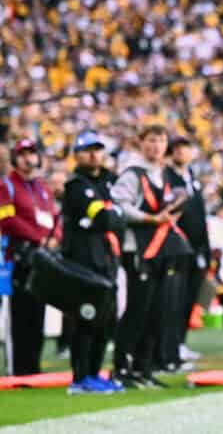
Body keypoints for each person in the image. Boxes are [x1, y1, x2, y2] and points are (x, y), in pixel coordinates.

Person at [112, 125, 192, 388]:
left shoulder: (165, 174)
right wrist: (150, 218)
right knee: (137, 309)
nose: (156, 146)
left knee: (155, 311)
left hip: (161, 251)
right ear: (141, 143)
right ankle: (122, 367)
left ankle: (144, 367)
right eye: (151, 140)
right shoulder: (133, 174)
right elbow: (119, 206)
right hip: (139, 250)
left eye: (160, 140)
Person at [62, 130, 125, 394]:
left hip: (107, 259)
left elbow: (122, 213)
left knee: (105, 321)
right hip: (83, 260)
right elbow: (107, 219)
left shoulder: (111, 180)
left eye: (97, 149)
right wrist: (112, 212)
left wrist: (113, 213)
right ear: (77, 155)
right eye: (88, 150)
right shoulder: (76, 186)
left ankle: (95, 373)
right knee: (86, 318)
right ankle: (80, 377)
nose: (94, 154)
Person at [1, 138, 61, 376]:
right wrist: (39, 236)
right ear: (15, 159)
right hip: (18, 257)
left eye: (32, 153)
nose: (28, 158)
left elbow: (54, 215)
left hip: (42, 257)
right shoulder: (6, 186)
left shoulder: (42, 187)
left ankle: (34, 369)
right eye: (23, 154)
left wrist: (55, 236)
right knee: (20, 316)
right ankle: (19, 369)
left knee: (38, 314)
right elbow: (6, 220)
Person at [167, 135, 210, 366]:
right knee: (174, 299)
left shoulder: (191, 177)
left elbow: (200, 215)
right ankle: (170, 347)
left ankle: (180, 342)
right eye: (178, 148)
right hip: (177, 247)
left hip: (196, 247)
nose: (182, 153)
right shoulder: (168, 177)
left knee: (188, 298)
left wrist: (206, 246)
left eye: (186, 148)